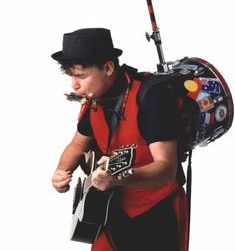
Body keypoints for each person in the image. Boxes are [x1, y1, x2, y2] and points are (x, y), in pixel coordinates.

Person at [51, 28, 188, 251]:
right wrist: (61, 170)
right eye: (72, 76)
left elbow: (166, 168)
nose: (73, 86)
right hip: (110, 208)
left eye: (81, 76)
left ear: (107, 68)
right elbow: (78, 144)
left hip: (157, 210)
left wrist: (120, 178)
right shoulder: (94, 99)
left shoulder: (151, 96)